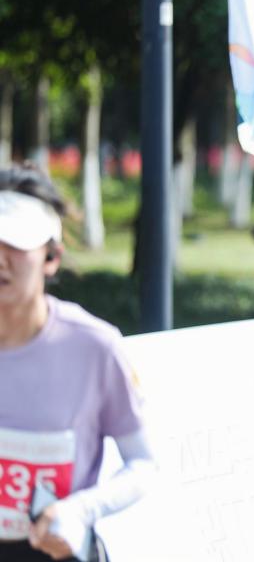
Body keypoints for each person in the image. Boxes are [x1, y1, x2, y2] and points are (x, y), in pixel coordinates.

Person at [0, 165, 154, 562]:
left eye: (16, 242)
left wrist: (79, 510)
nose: (1, 258)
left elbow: (142, 463)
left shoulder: (94, 346)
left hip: (58, 551)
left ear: (51, 257)